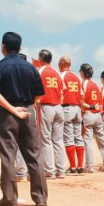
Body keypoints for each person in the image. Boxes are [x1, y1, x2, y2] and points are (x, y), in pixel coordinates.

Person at [0, 31, 47, 206]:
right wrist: (28, 107)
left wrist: (13, 109)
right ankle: (40, 197)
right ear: (19, 47)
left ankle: (10, 198)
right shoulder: (30, 67)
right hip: (28, 112)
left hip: (7, 114)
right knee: (34, 156)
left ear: (3, 47)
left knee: (8, 156)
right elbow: (38, 95)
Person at [36, 50, 66, 179]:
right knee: (58, 141)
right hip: (59, 107)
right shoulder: (57, 73)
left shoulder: (40, 71)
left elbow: (35, 89)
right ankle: (61, 170)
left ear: (41, 59)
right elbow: (62, 94)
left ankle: (49, 170)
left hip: (46, 106)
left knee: (45, 140)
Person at [79, 64, 104, 173]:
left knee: (88, 141)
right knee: (102, 141)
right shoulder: (97, 85)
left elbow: (81, 101)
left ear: (83, 73)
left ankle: (89, 167)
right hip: (98, 115)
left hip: (88, 114)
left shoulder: (83, 83)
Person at [59, 55, 84, 175]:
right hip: (77, 108)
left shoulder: (61, 76)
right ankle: (80, 166)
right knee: (78, 137)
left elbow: (60, 94)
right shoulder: (77, 77)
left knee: (69, 138)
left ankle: (73, 167)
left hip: (67, 108)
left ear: (61, 64)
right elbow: (81, 95)